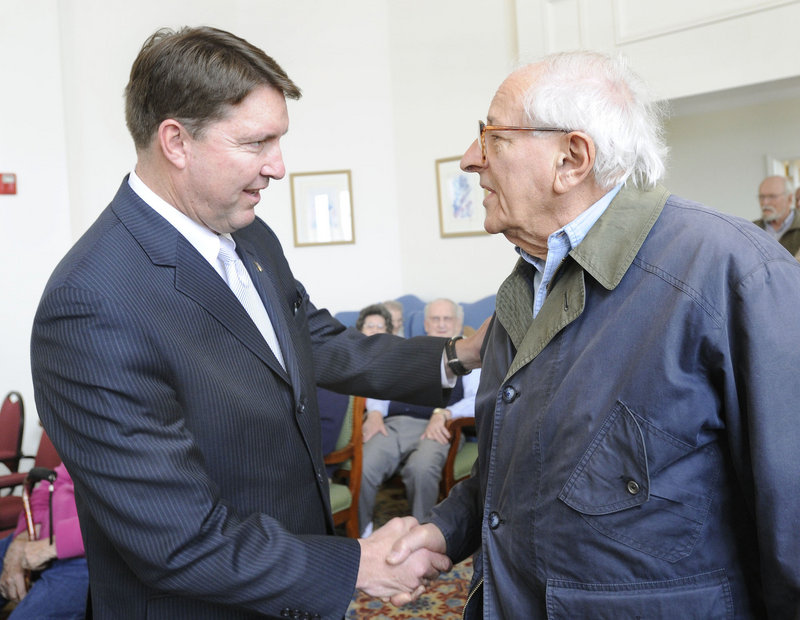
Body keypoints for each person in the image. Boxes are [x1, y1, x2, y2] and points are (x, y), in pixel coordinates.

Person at [29, 26, 485, 618]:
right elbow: (180, 539)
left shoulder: (250, 234)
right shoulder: (90, 304)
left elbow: (311, 340)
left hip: (290, 586)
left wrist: (457, 356)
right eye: (256, 143)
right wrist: (354, 565)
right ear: (176, 141)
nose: (278, 167)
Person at [388, 51, 800, 618]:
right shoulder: (525, 285)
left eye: (492, 138)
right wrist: (445, 529)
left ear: (571, 158)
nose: (468, 160)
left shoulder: (735, 273)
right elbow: (512, 471)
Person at [359, 299, 480, 537]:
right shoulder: (408, 348)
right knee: (365, 465)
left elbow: (479, 399)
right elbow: (381, 386)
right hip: (394, 425)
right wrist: (374, 412)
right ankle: (362, 532)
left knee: (421, 469)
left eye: (448, 319)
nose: (442, 325)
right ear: (426, 324)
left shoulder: (470, 356)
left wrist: (446, 413)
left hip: (438, 428)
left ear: (458, 323)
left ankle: (421, 535)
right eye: (436, 319)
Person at [0, 463, 88, 619]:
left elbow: (122, 523)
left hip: (86, 557)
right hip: (39, 538)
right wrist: (24, 536)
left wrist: (53, 546)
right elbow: (49, 484)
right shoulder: (87, 446)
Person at [319, 303, 393, 461]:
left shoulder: (389, 360)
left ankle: (326, 464)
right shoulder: (347, 354)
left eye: (380, 326)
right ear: (360, 330)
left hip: (361, 410)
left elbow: (382, 391)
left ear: (388, 332)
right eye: (370, 326)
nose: (374, 329)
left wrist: (374, 413)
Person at [753, 175, 800, 255]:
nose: (765, 203)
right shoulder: (751, 228)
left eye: (772, 197)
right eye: (761, 197)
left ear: (789, 199)